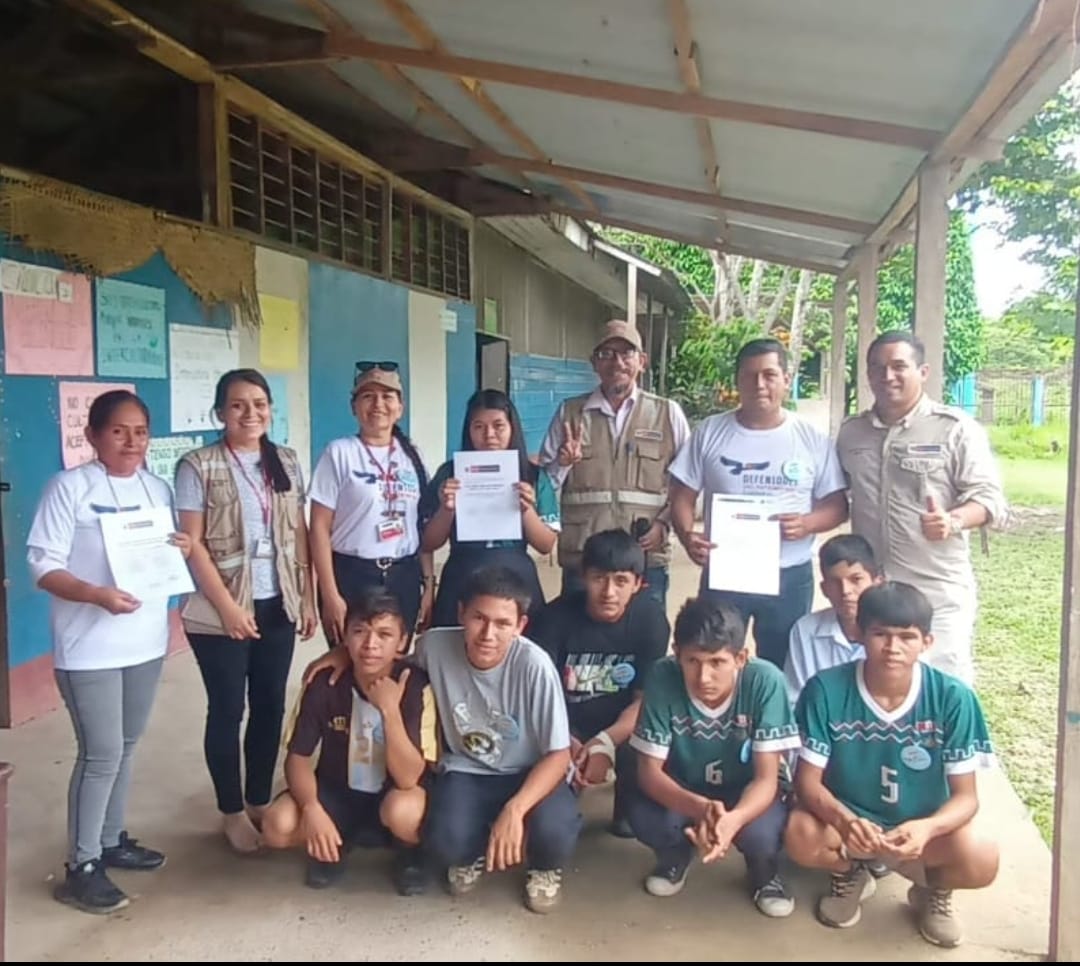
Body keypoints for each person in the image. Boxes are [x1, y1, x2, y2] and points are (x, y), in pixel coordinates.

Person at [27, 390, 191, 914]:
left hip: (143, 642)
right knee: (99, 754)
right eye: (118, 431)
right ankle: (81, 866)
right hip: (88, 647)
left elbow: (161, 556)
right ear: (93, 436)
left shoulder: (155, 489)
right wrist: (95, 594)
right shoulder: (69, 488)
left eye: (140, 431)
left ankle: (110, 837)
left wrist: (180, 550)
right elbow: (43, 566)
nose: (131, 441)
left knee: (125, 744)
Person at [785, 582, 999, 948]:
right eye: (880, 634)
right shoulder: (826, 690)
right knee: (800, 833)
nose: (892, 648)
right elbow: (808, 783)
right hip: (851, 822)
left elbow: (967, 798)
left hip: (919, 825)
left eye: (906, 636)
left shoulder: (953, 698)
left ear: (927, 641)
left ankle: (933, 889)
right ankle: (849, 873)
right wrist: (846, 821)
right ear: (859, 634)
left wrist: (928, 828)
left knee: (981, 857)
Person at [177, 369, 317, 854]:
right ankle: (231, 811)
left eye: (259, 404)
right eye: (238, 405)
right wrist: (229, 610)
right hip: (221, 610)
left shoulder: (286, 461)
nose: (250, 413)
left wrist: (308, 596)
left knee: (270, 706)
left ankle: (259, 798)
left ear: (270, 410)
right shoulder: (198, 465)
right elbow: (191, 544)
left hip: (277, 601)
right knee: (228, 709)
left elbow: (298, 532)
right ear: (220, 413)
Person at [836, 331, 1007, 685]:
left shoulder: (955, 430)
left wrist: (953, 520)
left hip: (937, 591)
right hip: (875, 595)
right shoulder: (852, 433)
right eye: (877, 368)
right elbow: (835, 496)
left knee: (942, 687)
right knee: (882, 689)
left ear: (923, 371)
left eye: (899, 366)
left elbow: (991, 499)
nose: (887, 377)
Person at [669, 337, 848, 669]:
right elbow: (681, 495)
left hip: (788, 574)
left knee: (783, 663)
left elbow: (837, 505)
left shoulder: (810, 439)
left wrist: (807, 523)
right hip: (724, 573)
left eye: (769, 375)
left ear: (786, 379)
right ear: (736, 381)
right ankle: (719, 720)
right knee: (712, 655)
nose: (759, 384)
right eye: (749, 375)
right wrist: (686, 536)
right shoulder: (710, 432)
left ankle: (773, 721)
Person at [418, 567, 581, 914]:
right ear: (461, 612)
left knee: (555, 832)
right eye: (479, 617)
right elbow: (386, 660)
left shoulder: (535, 666)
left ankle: (543, 868)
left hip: (530, 770)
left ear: (520, 626)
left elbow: (558, 754)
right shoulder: (433, 646)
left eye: (503, 623)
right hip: (467, 768)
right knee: (445, 840)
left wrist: (516, 808)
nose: (488, 634)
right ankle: (472, 850)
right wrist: (338, 655)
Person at [629, 597, 801, 918]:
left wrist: (732, 820)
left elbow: (766, 778)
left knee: (763, 831)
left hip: (745, 786)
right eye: (692, 661)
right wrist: (700, 808)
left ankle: (764, 871)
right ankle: (676, 854)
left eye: (717, 662)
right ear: (676, 653)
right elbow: (648, 772)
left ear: (741, 658)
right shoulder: (662, 677)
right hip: (685, 783)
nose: (704, 677)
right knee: (646, 816)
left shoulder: (765, 681)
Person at [262, 590, 432, 895]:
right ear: (344, 636)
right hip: (338, 790)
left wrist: (390, 711)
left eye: (384, 635)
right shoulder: (324, 681)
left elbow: (409, 778)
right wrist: (312, 808)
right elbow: (297, 758)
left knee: (406, 810)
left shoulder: (416, 684)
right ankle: (333, 846)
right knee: (277, 825)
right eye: (359, 632)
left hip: (390, 794)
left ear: (402, 643)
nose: (370, 645)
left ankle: (409, 853)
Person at [539, 319, 690, 608]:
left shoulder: (667, 414)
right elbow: (544, 486)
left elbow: (689, 484)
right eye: (606, 354)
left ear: (642, 361)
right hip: (584, 559)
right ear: (594, 363)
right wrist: (562, 463)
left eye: (626, 353)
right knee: (579, 645)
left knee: (646, 643)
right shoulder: (570, 413)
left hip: (644, 557)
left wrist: (664, 523)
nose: (616, 362)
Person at [530, 528, 669, 837]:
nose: (609, 592)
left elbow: (643, 699)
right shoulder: (553, 618)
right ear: (582, 576)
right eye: (599, 578)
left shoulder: (651, 619)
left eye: (621, 581)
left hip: (621, 726)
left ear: (638, 584)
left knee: (647, 750)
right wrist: (566, 742)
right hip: (564, 724)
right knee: (551, 815)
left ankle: (627, 807)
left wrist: (605, 743)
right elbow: (538, 698)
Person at [309, 361, 435, 646]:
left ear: (400, 407)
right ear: (354, 407)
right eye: (368, 396)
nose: (378, 404)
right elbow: (318, 527)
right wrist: (329, 593)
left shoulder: (412, 456)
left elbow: (422, 524)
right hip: (352, 576)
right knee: (349, 662)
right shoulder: (339, 453)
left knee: (395, 663)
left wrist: (428, 585)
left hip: (403, 575)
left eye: (387, 396)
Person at [421, 389, 559, 628]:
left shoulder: (533, 475)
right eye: (479, 427)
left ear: (512, 428)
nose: (489, 435)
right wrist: (447, 509)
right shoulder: (450, 473)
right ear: (468, 430)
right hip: (463, 571)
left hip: (516, 573)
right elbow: (429, 542)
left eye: (498, 426)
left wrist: (527, 511)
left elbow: (546, 545)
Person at [783, 534, 883, 706]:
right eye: (835, 582)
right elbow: (795, 699)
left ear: (877, 582)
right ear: (823, 589)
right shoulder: (806, 630)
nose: (845, 591)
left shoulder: (898, 632)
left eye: (856, 580)